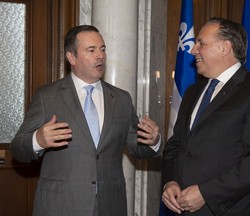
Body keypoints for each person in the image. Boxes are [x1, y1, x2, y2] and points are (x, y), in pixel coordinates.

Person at [10, 25, 163, 216]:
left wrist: (154, 141)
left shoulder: (122, 99)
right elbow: (17, 148)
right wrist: (37, 140)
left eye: (103, 49)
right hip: (61, 206)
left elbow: (136, 147)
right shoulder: (47, 97)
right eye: (91, 50)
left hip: (110, 206)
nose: (100, 56)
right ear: (71, 57)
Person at [161, 17, 250, 216]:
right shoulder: (192, 91)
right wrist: (170, 181)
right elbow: (176, 145)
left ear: (225, 47)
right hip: (183, 208)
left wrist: (206, 193)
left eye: (201, 43)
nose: (193, 50)